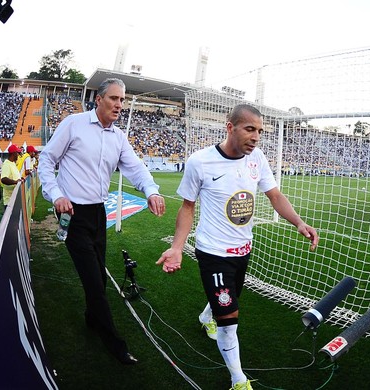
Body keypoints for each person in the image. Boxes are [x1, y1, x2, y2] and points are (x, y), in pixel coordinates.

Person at [156, 104, 319, 390]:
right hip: (213, 253)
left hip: (243, 249)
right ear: (230, 127)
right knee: (229, 321)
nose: (256, 137)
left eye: (259, 131)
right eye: (249, 129)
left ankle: (206, 316)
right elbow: (187, 207)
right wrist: (178, 246)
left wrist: (299, 223)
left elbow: (275, 195)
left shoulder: (257, 158)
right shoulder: (200, 162)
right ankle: (238, 380)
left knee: (227, 300)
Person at [38, 78, 166, 365]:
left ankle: (90, 319)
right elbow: (46, 160)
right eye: (114, 99)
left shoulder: (118, 138)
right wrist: (56, 195)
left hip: (98, 213)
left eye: (122, 100)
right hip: (71, 213)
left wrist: (152, 191)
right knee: (95, 283)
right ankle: (116, 346)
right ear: (98, 99)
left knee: (97, 275)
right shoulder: (74, 124)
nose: (119, 104)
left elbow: (136, 168)